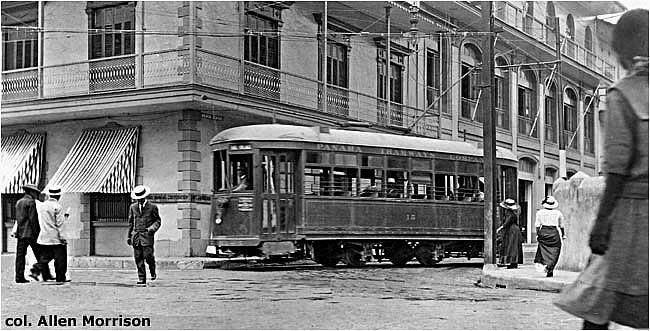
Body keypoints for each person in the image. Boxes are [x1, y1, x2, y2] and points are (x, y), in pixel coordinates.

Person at [555, 9, 648, 330]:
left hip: (632, 218)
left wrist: (601, 223)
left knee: (596, 303)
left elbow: (618, 170)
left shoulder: (623, 95)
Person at [31, 185, 70, 283]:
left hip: (44, 237)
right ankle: (60, 277)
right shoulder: (58, 207)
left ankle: (36, 269)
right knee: (60, 259)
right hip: (55, 237)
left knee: (46, 257)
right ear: (58, 196)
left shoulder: (42, 206)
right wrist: (63, 238)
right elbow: (59, 224)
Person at [127, 185, 161, 285]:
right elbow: (131, 222)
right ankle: (142, 278)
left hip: (147, 236)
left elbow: (158, 221)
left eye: (141, 198)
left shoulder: (152, 207)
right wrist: (129, 236)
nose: (139, 200)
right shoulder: (133, 207)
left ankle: (152, 269)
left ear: (144, 197)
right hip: (136, 236)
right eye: (137, 199)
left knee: (148, 256)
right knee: (138, 258)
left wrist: (151, 229)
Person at [12, 184, 42, 283]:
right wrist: (37, 232)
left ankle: (19, 276)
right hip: (30, 233)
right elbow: (33, 219)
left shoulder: (19, 202)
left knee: (20, 256)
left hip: (21, 233)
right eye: (35, 192)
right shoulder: (31, 202)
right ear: (31, 192)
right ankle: (44, 274)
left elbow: (18, 219)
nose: (36, 194)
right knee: (40, 254)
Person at [533, 196, 566, 277]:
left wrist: (538, 234)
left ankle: (546, 265)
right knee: (556, 250)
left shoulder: (539, 213)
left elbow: (537, 225)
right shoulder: (558, 213)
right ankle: (550, 267)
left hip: (543, 232)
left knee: (543, 250)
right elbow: (561, 226)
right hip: (554, 233)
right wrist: (563, 234)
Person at [497, 198, 523, 269]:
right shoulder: (513, 213)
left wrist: (500, 228)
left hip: (512, 230)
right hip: (514, 230)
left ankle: (511, 262)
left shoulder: (509, 213)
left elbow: (507, 222)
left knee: (511, 246)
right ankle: (513, 262)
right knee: (513, 246)